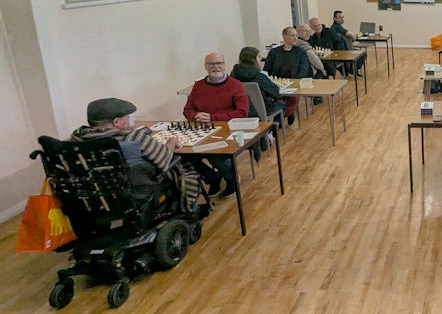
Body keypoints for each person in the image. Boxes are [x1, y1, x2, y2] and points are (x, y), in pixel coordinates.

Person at [72, 98, 204, 213]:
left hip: (98, 192)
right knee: (185, 170)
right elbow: (164, 158)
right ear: (117, 122)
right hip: (137, 188)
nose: (131, 119)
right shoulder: (134, 138)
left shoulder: (78, 138)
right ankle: (188, 207)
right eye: (128, 117)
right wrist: (172, 141)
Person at [183, 53, 250, 197]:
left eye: (219, 63)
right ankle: (212, 178)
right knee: (185, 155)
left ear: (225, 65)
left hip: (227, 129)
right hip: (203, 129)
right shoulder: (198, 86)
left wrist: (213, 118)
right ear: (206, 67)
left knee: (214, 153)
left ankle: (231, 179)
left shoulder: (235, 85)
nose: (216, 67)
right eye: (211, 64)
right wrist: (195, 116)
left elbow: (242, 112)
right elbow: (187, 110)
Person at [263, 26, 311, 125]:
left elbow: (304, 70)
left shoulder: (301, 52)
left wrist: (294, 82)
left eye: (296, 36)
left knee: (292, 99)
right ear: (284, 36)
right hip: (277, 83)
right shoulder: (274, 52)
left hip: (294, 83)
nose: (295, 38)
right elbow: (267, 69)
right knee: (275, 99)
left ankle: (281, 118)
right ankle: (283, 117)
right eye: (292, 35)